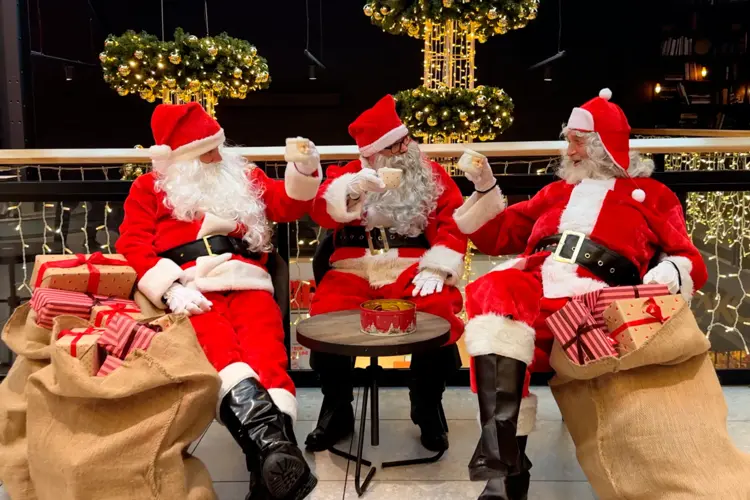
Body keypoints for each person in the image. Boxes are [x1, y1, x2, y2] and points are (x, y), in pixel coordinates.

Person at [453, 89, 708, 500]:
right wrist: (485, 186)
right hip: (535, 283)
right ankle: (505, 464)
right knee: (494, 291)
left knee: (504, 322)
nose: (568, 150)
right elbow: (496, 236)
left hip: (596, 300)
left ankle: (507, 466)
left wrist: (663, 275)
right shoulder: (554, 193)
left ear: (604, 145)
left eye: (577, 141)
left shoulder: (652, 195)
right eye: (568, 139)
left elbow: (689, 259)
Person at [117, 102, 322, 500]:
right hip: (191, 287)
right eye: (205, 152)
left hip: (249, 280)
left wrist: (304, 169)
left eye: (217, 146)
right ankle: (277, 462)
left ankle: (273, 464)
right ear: (181, 159)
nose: (216, 156)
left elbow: (289, 204)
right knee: (221, 355)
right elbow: (132, 245)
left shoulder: (244, 175)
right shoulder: (149, 188)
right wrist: (170, 288)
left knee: (267, 357)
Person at [305, 95, 468, 453]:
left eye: (405, 140)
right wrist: (351, 190)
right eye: (393, 146)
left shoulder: (431, 175)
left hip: (412, 265)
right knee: (325, 316)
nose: (404, 149)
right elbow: (319, 210)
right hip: (353, 266)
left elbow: (452, 222)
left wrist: (438, 265)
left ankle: (426, 404)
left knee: (438, 311)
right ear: (372, 154)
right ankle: (336, 408)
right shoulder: (348, 174)